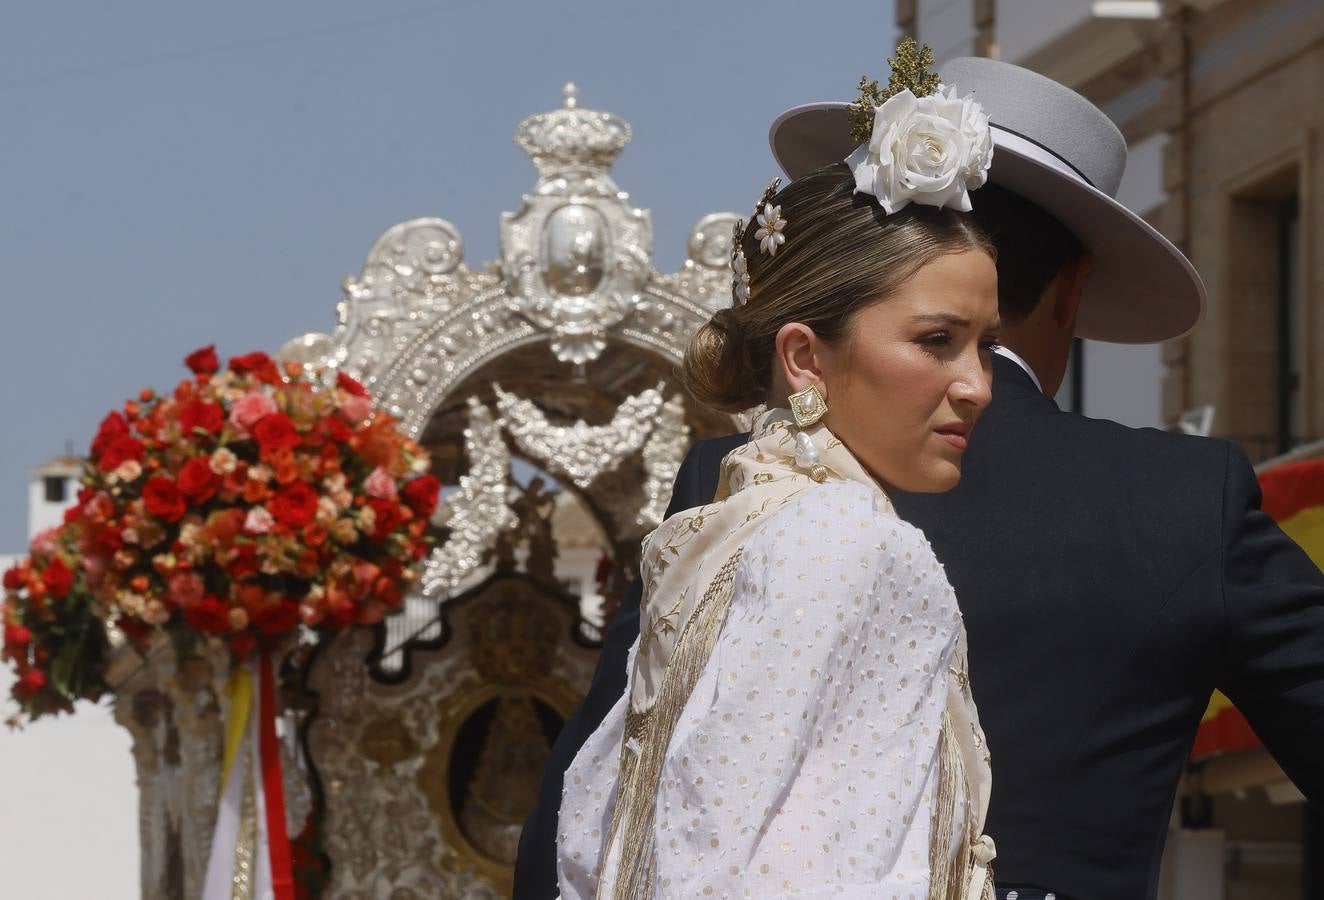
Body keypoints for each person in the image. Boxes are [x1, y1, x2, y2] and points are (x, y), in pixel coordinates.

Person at [515, 56, 1324, 900]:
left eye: (969, 342)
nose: (969, 386)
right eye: (936, 339)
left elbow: (599, 806)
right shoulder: (1183, 501)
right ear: (1075, 290)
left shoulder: (734, 487)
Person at [555, 50, 1005, 898]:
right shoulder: (840, 536)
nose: (977, 384)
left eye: (987, 345)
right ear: (804, 357)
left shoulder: (737, 520)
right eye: (937, 341)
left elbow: (616, 821)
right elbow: (710, 840)